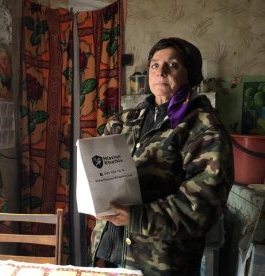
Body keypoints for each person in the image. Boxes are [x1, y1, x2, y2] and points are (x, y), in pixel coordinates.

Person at [90, 37, 234, 275]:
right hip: (109, 253)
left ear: (192, 75)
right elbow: (100, 174)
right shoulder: (123, 121)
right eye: (155, 65)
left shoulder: (203, 128)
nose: (161, 71)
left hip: (159, 264)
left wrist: (137, 217)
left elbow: (202, 205)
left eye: (173, 65)